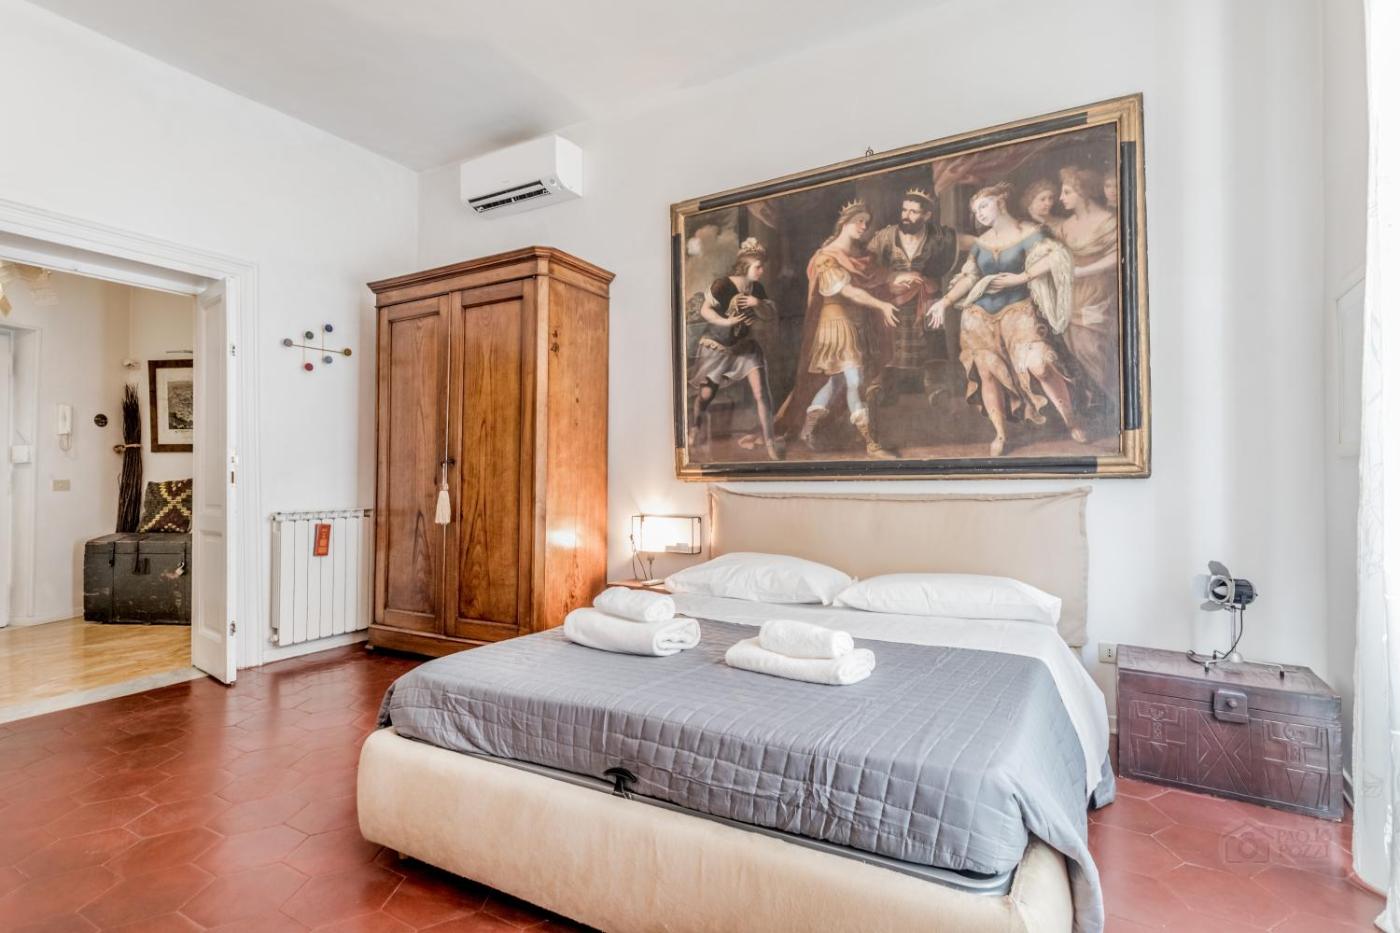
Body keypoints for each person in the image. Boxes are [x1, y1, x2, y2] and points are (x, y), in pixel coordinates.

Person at [926, 182, 1082, 457]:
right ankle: (1000, 434)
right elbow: (970, 277)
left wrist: (1022, 277)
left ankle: (1072, 421)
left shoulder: (1028, 232)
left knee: (1040, 365)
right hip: (979, 318)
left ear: (1000, 202)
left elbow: (1058, 257)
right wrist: (945, 301)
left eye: (984, 206)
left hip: (1019, 313)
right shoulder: (982, 243)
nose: (979, 214)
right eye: (976, 211)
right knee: (988, 373)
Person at [774, 200, 900, 458]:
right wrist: (881, 305)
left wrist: (901, 278)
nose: (864, 227)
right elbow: (849, 290)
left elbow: (877, 276)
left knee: (835, 380)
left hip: (855, 324)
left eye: (866, 222)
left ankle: (807, 429)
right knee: (855, 381)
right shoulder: (826, 257)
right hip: (835, 325)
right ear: (844, 222)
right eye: (859, 221)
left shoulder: (860, 256)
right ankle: (871, 443)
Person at [863, 188, 961, 405]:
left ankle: (937, 388)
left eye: (913, 212)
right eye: (904, 210)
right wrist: (892, 276)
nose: (906, 216)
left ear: (927, 215)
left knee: (933, 340)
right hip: (894, 298)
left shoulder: (938, 238)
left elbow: (960, 245)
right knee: (888, 342)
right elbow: (867, 265)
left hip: (928, 296)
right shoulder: (886, 236)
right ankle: (882, 388)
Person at [688, 237, 782, 460]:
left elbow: (770, 314)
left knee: (762, 393)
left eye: (762, 266)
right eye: (758, 266)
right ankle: (694, 429)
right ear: (745, 266)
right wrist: (727, 321)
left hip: (744, 347)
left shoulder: (756, 288)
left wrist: (757, 304)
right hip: (717, 345)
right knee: (706, 394)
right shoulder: (723, 285)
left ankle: (770, 442)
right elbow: (705, 311)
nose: (761, 271)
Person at [1054, 166, 1120, 409]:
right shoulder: (1066, 225)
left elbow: (1116, 256)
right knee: (1073, 348)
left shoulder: (1107, 221)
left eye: (1067, 192)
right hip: (1071, 294)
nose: (1061, 198)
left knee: (1092, 348)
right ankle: (1094, 404)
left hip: (1098, 291)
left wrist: (1083, 271)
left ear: (1083, 193)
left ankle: (1114, 403)